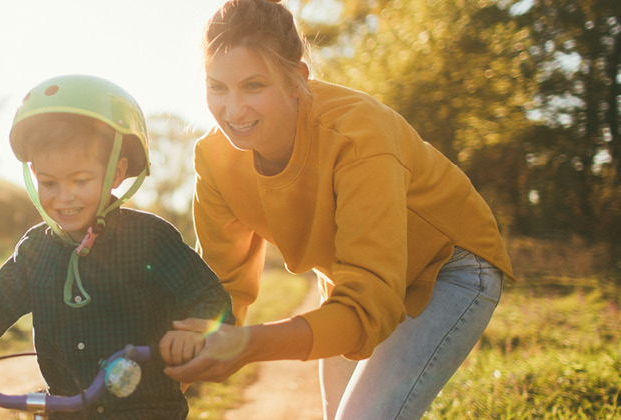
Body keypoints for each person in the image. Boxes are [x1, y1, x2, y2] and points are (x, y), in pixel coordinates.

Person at [161, 1, 517, 419]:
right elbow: (223, 291)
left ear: (297, 79)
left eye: (254, 86)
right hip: (352, 279)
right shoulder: (214, 159)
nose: (233, 110)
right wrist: (165, 379)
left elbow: (369, 306)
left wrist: (248, 345)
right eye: (217, 87)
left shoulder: (358, 135)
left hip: (448, 267)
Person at [0, 74, 235, 419]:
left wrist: (197, 332)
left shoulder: (150, 239)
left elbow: (210, 297)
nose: (64, 196)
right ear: (33, 174)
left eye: (81, 180)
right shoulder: (35, 251)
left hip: (146, 410)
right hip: (66, 410)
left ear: (117, 173)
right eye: (49, 182)